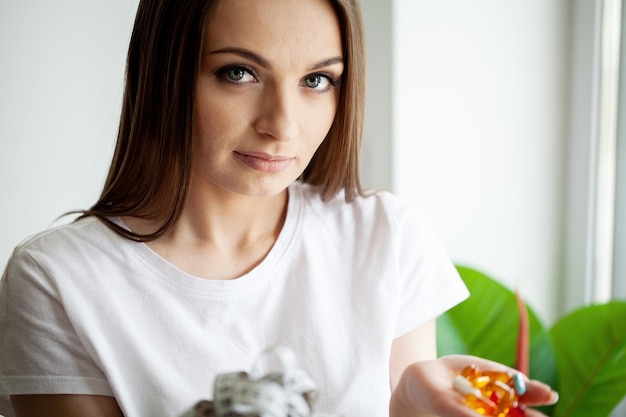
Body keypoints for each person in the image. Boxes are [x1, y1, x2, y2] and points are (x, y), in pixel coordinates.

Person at [0, 0, 558, 416]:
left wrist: (407, 404)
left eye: (318, 80)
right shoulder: (58, 278)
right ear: (164, 74)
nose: (283, 126)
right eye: (239, 73)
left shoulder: (385, 237)